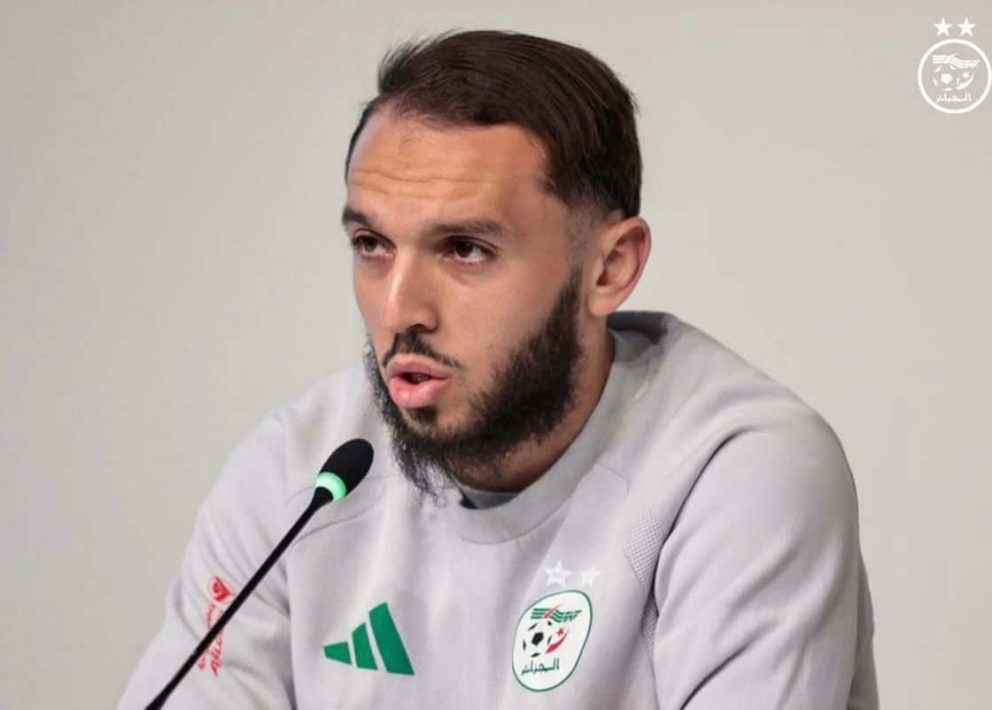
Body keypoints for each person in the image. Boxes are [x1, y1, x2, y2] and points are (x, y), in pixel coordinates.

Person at [119, 29, 878, 709]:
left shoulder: (736, 471)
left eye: (465, 250)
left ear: (610, 268)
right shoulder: (301, 475)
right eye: (372, 245)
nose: (400, 310)